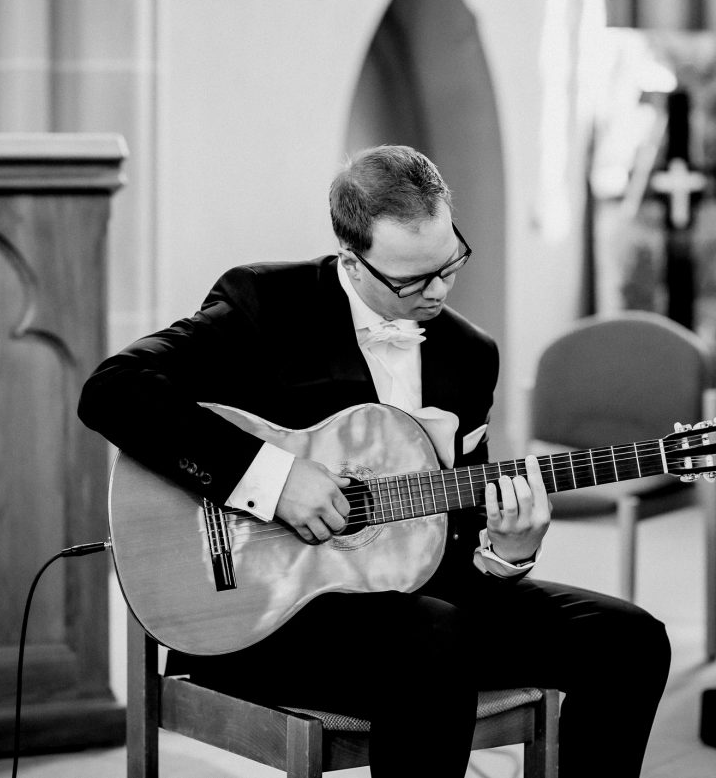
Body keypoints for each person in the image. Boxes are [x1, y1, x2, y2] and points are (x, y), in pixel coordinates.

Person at [78, 144, 670, 777]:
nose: (438, 290)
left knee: (628, 639)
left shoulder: (470, 354)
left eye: (449, 264)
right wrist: (273, 480)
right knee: (436, 639)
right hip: (266, 610)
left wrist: (506, 554)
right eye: (410, 280)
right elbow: (113, 390)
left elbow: (460, 536)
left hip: (424, 600)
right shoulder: (265, 305)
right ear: (350, 257)